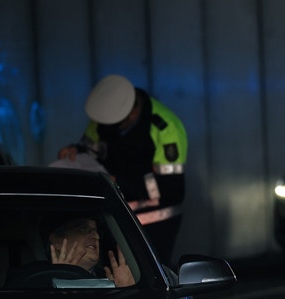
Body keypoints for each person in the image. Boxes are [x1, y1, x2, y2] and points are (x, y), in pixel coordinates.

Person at [57, 74, 187, 265]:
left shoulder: (165, 128)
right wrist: (75, 151)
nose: (108, 128)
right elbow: (91, 149)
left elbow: (171, 188)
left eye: (115, 125)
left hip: (156, 222)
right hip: (114, 214)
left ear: (131, 114)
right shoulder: (105, 121)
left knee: (148, 272)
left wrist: (119, 183)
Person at [43, 214, 135, 287]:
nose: (97, 236)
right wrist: (61, 282)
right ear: (57, 241)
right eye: (84, 229)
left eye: (96, 231)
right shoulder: (39, 282)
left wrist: (125, 290)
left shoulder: (112, 279)